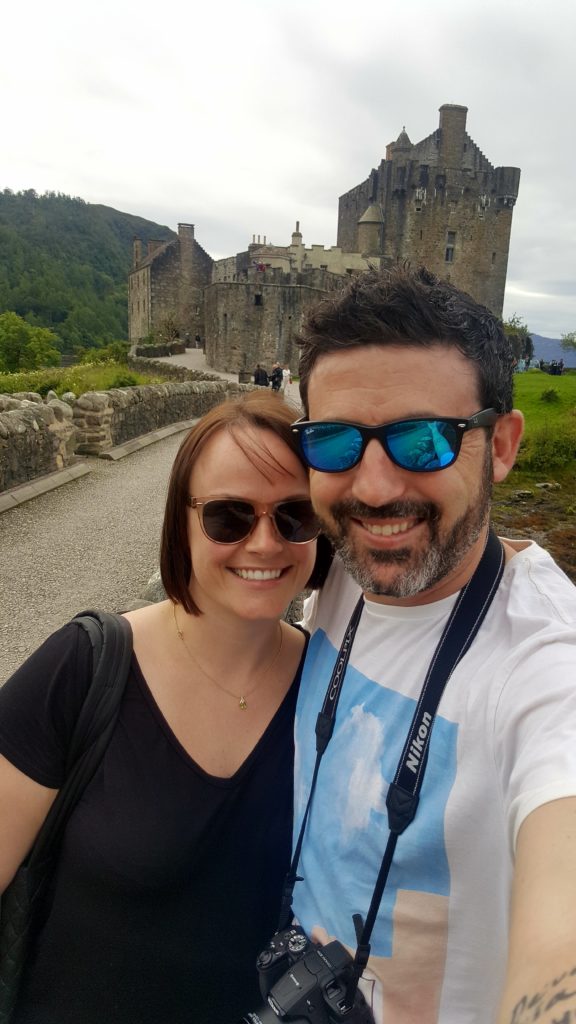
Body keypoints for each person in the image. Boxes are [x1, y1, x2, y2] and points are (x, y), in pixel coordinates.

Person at [289, 266, 576, 1024]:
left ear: (502, 445)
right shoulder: (333, 561)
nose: (376, 488)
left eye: (423, 442)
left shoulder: (549, 666)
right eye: (336, 441)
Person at [0, 391, 329, 1024]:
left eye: (295, 515)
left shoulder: (335, 693)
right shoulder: (86, 667)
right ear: (180, 520)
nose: (265, 543)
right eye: (229, 517)